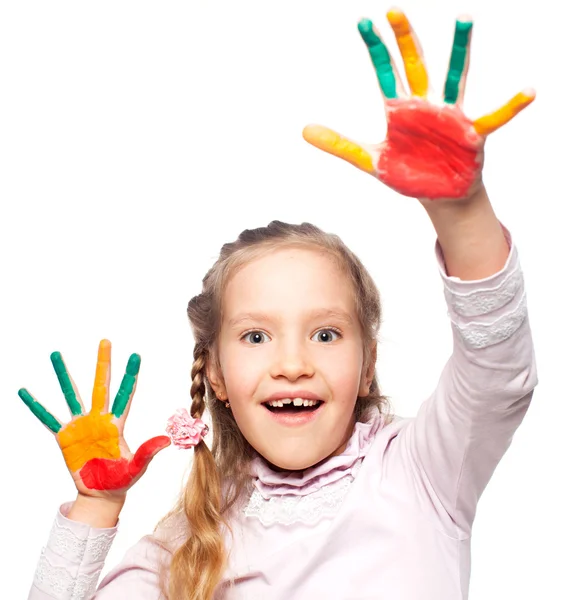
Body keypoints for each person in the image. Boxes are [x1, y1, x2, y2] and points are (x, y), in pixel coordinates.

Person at [21, 9, 537, 600]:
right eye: (256, 336)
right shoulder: (190, 541)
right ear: (214, 372)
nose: (293, 363)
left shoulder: (422, 473)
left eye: (325, 334)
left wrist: (461, 212)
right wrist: (96, 504)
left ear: (366, 364)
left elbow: (498, 375)